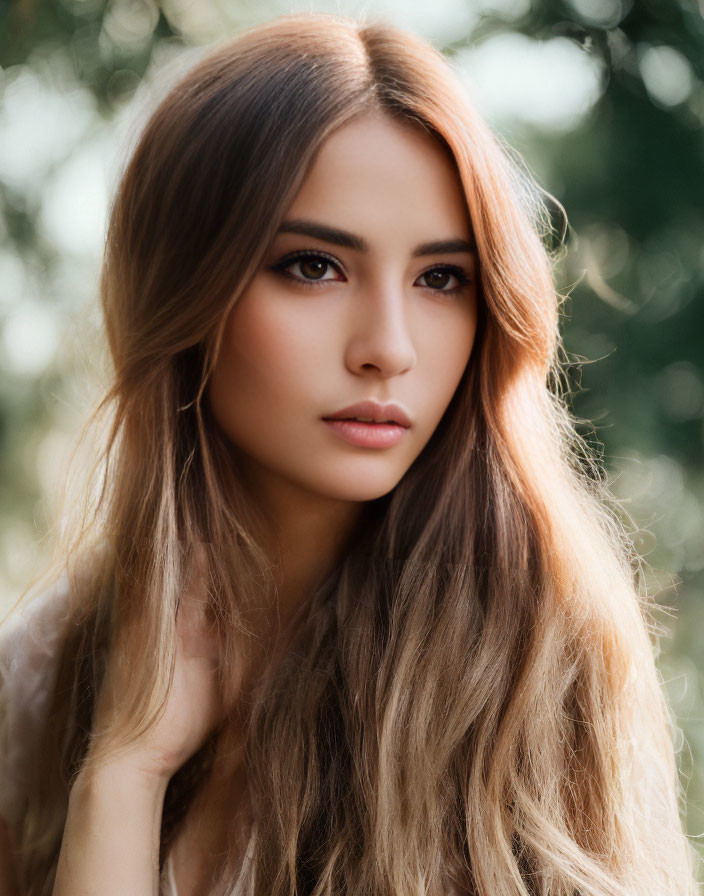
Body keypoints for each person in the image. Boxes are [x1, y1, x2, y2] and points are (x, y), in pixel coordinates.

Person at [0, 11, 700, 896]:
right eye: (315, 266)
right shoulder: (46, 668)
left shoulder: (536, 664)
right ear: (183, 286)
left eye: (442, 278)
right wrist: (123, 774)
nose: (390, 347)